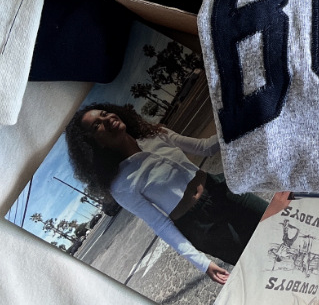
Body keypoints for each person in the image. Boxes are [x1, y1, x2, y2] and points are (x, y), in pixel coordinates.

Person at [65, 102, 267, 284]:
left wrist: (241, 121)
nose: (107, 119)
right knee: (260, 263)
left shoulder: (154, 134)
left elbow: (204, 147)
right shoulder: (120, 185)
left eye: (104, 113)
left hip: (221, 189)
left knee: (276, 219)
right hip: (201, 226)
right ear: (95, 144)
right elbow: (159, 224)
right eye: (97, 125)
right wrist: (203, 264)